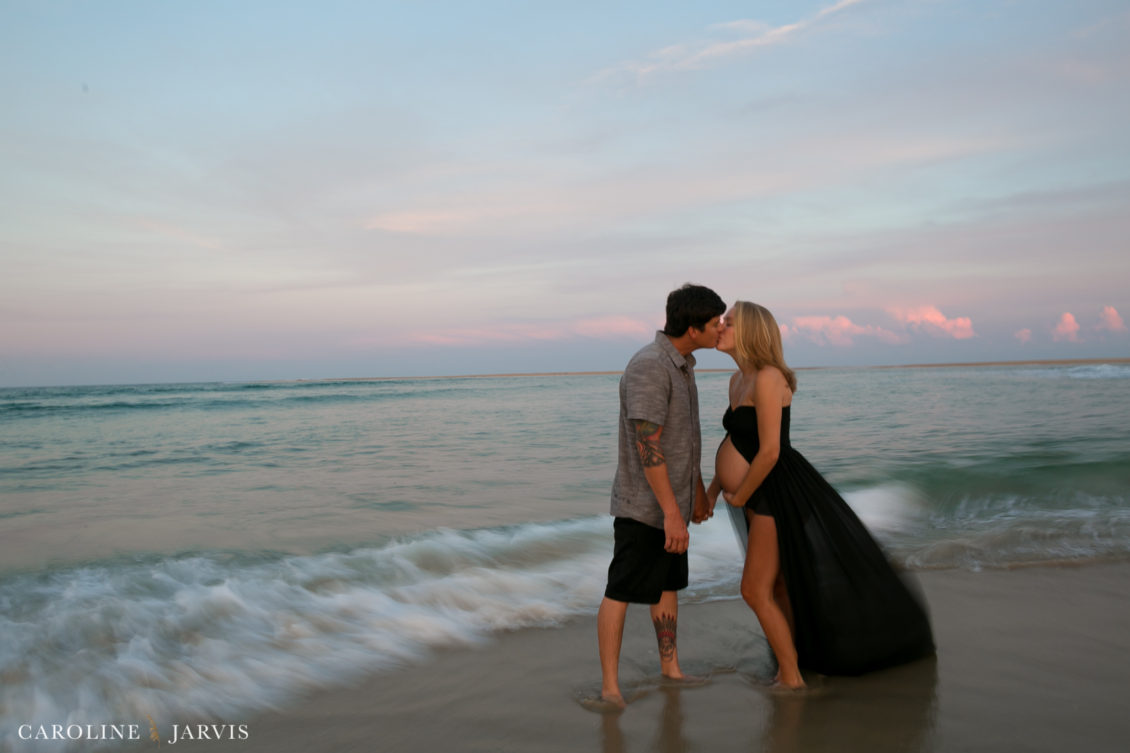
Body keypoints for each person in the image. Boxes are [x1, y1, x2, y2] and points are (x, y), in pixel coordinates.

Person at [707, 301, 934, 689]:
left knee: (754, 589)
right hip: (750, 493)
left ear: (749, 331)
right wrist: (714, 490)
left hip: (773, 492)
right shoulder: (737, 381)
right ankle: (793, 662)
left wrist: (742, 494)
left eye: (728, 322)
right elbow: (737, 440)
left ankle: (792, 678)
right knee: (776, 586)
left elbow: (770, 451)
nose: (719, 327)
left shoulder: (768, 377)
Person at [596, 283, 726, 708]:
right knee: (621, 591)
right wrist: (672, 512)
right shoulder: (650, 366)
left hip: (674, 505)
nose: (720, 329)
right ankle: (610, 689)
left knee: (667, 586)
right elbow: (646, 444)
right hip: (643, 508)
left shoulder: (683, 365)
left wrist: (697, 496)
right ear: (692, 328)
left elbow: (683, 442)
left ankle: (670, 669)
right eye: (714, 323)